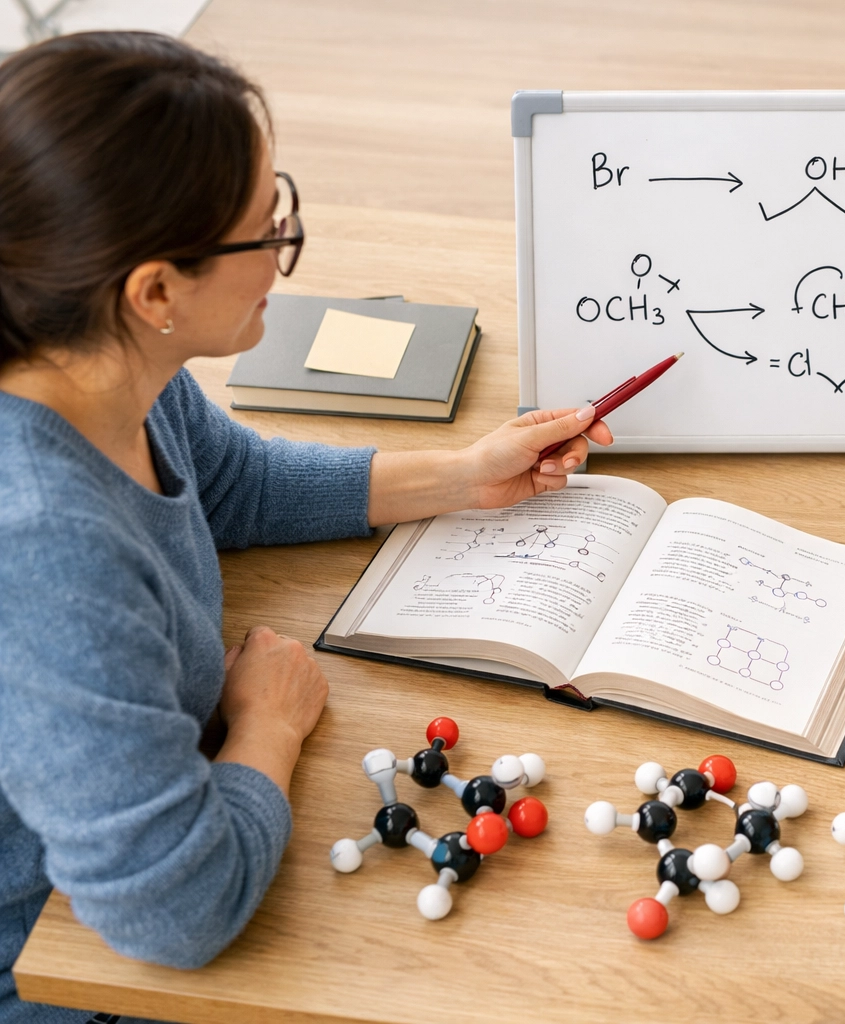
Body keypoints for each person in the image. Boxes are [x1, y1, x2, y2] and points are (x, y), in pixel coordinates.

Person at [0, 32, 610, 1024]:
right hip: (55, 965)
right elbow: (179, 911)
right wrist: (268, 724)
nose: (283, 246)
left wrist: (465, 476)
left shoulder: (94, 358)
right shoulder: (43, 546)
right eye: (263, 232)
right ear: (154, 291)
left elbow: (231, 483)